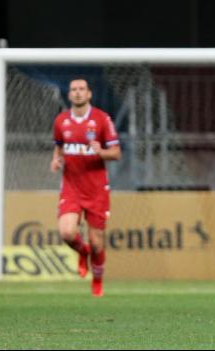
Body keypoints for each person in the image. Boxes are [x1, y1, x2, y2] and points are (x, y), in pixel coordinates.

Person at [50, 78, 121, 297]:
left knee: (98, 243)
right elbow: (59, 147)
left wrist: (101, 152)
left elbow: (116, 153)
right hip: (71, 187)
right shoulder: (61, 121)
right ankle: (83, 252)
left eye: (82, 89)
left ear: (89, 94)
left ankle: (97, 280)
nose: (78, 93)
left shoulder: (101, 119)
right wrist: (56, 160)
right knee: (67, 232)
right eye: (73, 90)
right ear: (69, 95)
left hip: (96, 189)